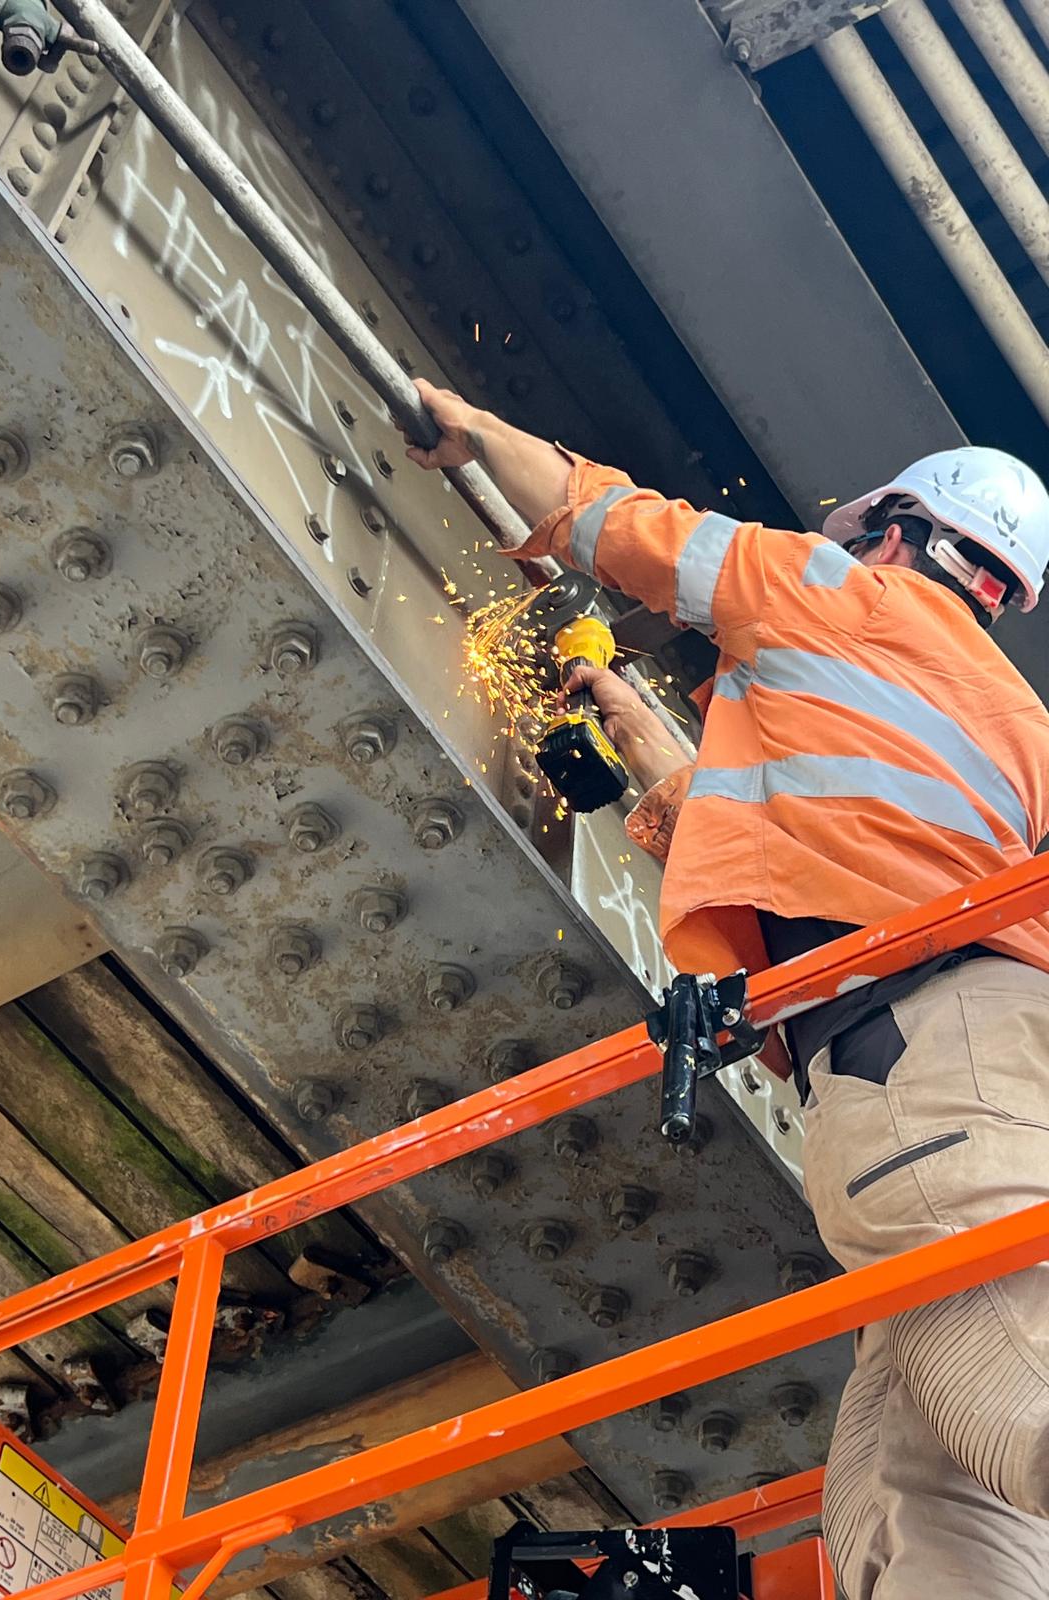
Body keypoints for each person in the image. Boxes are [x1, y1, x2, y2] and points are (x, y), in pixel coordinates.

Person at [399, 379, 1049, 1599]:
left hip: (918, 1060)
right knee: (923, 1510)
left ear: (901, 534)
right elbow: (791, 841)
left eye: (860, 530)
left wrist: (474, 434)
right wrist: (634, 724)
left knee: (1024, 1387)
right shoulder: (1016, 726)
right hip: (994, 1062)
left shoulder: (833, 586)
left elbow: (623, 524)